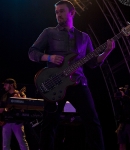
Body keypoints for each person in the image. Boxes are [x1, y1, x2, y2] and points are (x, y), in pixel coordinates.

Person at [28, 0, 115, 149]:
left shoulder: (84, 37)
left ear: (72, 12)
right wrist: (49, 57)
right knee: (49, 124)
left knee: (92, 121)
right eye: (56, 12)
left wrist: (107, 51)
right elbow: (32, 52)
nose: (58, 15)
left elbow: (93, 63)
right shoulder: (49, 32)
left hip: (78, 83)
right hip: (54, 83)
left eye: (61, 11)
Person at [0, 78, 29, 150]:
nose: (4, 86)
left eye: (6, 85)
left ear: (11, 85)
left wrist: (18, 98)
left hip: (17, 122)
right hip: (6, 122)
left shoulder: (21, 94)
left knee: (22, 143)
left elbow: (24, 106)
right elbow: (1, 109)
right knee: (5, 145)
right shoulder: (4, 96)